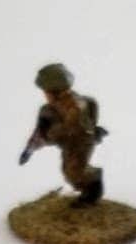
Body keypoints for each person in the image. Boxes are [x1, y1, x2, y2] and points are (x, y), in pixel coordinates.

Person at [19, 63, 107, 206]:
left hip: (80, 143)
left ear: (54, 91)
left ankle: (93, 189)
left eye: (46, 91)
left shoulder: (75, 107)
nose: (45, 95)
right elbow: (40, 132)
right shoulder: (51, 108)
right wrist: (30, 149)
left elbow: (69, 129)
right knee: (69, 171)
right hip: (70, 142)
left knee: (74, 171)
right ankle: (90, 186)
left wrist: (48, 134)